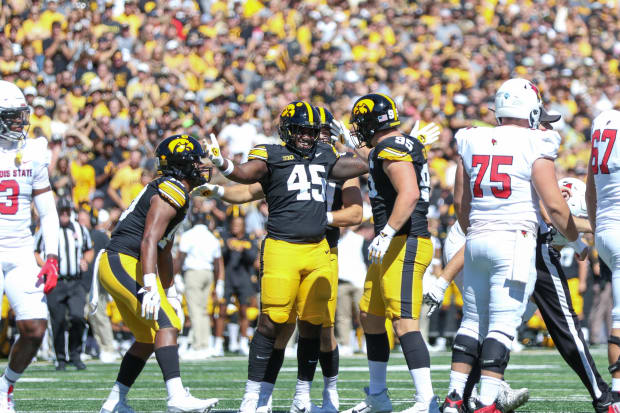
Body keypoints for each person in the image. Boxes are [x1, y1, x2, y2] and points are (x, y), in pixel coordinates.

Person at [202, 100, 368, 413]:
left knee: (315, 326)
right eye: (304, 130)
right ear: (288, 130)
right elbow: (245, 180)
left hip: (321, 249)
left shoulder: (328, 155)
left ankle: (308, 396)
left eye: (315, 131)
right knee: (274, 321)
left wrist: (350, 139)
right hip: (283, 246)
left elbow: (364, 170)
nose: (310, 136)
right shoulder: (273, 155)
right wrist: (221, 174)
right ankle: (255, 396)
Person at [445, 78, 577, 413]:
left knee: (472, 322)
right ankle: (487, 399)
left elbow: (461, 201)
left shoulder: (471, 137)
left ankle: (454, 396)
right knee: (503, 324)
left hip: (476, 238)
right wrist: (575, 238)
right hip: (513, 240)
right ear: (530, 109)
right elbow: (556, 207)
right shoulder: (537, 140)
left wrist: (472, 229)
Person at [94, 134, 218, 413]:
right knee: (167, 324)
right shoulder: (171, 189)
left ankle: (115, 401)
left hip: (129, 261)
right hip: (122, 260)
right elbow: (149, 240)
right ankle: (176, 397)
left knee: (148, 338)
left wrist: (170, 291)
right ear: (181, 165)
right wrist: (151, 285)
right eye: (195, 161)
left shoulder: (176, 191)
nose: (201, 166)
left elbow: (164, 247)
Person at [333, 93, 439, 413]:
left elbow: (409, 193)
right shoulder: (394, 145)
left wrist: (388, 230)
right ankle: (378, 394)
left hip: (405, 240)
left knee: (404, 321)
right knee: (371, 316)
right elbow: (375, 156)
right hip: (392, 242)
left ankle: (426, 401)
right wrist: (350, 143)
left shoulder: (392, 148)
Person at [0, 80, 60, 412]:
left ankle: (5, 387)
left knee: (35, 329)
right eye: (9, 117)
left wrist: (50, 257)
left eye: (19, 116)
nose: (18, 123)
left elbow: (47, 211)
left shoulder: (34, 150)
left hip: (21, 248)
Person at [585, 109, 620, 404]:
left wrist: (598, 232)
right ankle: (618, 393)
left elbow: (590, 189)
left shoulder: (603, 124)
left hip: (607, 229)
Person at [35, 197, 93, 371]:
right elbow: (36, 251)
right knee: (58, 320)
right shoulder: (46, 230)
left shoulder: (80, 229)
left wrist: (85, 260)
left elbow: (89, 249)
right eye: (62, 211)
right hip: (56, 282)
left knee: (78, 317)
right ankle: (60, 358)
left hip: (75, 282)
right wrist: (45, 265)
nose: (65, 214)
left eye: (67, 211)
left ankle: (75, 355)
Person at [176, 212, 224, 359]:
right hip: (208, 273)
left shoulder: (188, 235)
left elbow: (180, 257)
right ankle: (205, 344)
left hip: (194, 272)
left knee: (194, 310)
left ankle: (198, 345)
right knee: (203, 310)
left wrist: (176, 275)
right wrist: (219, 282)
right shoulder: (212, 237)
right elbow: (217, 262)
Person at [221, 214, 258, 357]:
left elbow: (252, 257)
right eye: (234, 224)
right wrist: (228, 248)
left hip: (244, 279)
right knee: (221, 310)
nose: (236, 226)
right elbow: (220, 256)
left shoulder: (249, 238)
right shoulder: (225, 237)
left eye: (238, 224)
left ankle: (243, 341)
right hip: (228, 278)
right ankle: (219, 342)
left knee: (244, 311)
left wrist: (244, 249)